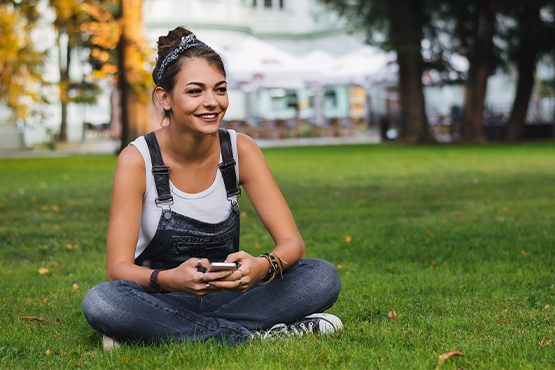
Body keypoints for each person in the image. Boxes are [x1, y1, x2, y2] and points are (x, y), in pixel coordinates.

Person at [82, 26, 342, 349]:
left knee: (322, 276)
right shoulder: (137, 160)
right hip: (162, 298)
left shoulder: (240, 151)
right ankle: (249, 334)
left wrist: (261, 266)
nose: (212, 102)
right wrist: (170, 279)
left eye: (220, 89)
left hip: (231, 298)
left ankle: (171, 332)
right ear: (165, 98)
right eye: (195, 91)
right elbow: (117, 269)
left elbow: (292, 244)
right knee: (103, 301)